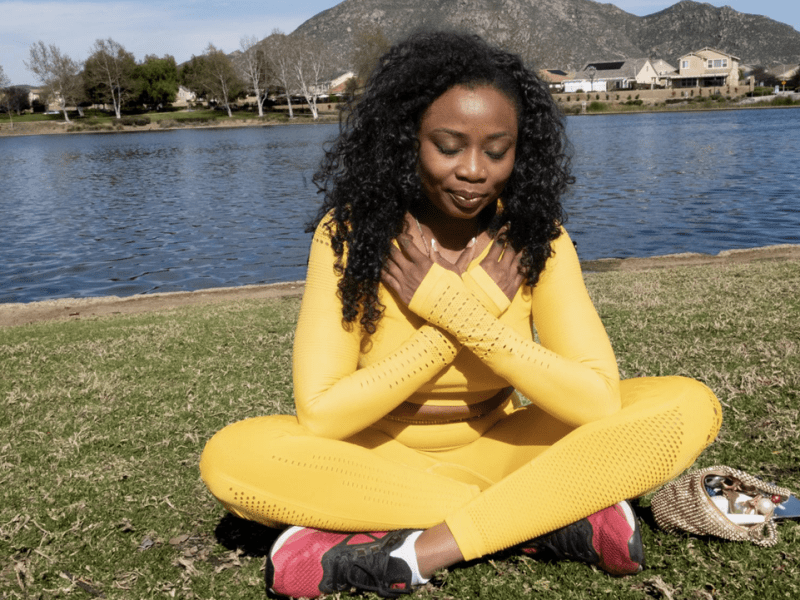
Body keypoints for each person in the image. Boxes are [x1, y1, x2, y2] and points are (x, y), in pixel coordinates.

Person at [200, 31, 722, 599]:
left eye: (497, 151)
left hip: (500, 444)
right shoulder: (350, 235)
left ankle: (417, 550)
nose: (474, 170)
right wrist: (457, 320)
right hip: (373, 461)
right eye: (449, 146)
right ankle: (546, 515)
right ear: (406, 141)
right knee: (231, 459)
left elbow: (597, 399)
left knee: (687, 406)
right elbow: (323, 416)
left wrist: (455, 310)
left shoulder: (534, 238)